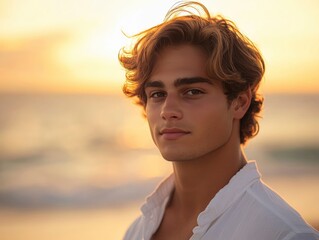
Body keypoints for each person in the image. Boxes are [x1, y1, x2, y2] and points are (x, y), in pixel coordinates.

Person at [118, 1, 319, 240]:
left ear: (240, 102)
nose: (167, 110)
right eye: (158, 94)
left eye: (192, 91)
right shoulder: (137, 232)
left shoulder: (283, 234)